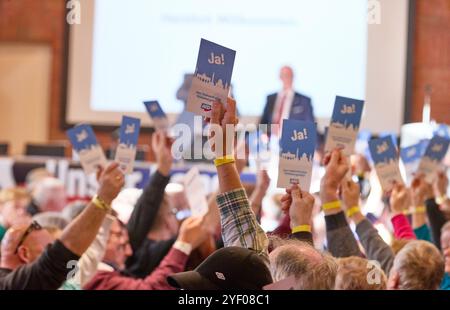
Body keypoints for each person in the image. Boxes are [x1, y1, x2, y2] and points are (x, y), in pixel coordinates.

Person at [0, 162, 124, 289]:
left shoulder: (67, 278)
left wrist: (106, 200)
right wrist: (102, 198)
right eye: (47, 251)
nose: (62, 260)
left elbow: (90, 251)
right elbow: (64, 251)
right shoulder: (15, 285)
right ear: (24, 254)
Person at [260, 66, 315, 136]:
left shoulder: (304, 101)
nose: (287, 78)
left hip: (292, 140)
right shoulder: (271, 98)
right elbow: (264, 123)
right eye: (284, 75)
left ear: (293, 77)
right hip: (271, 141)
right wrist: (264, 138)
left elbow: (309, 127)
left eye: (289, 76)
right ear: (280, 77)